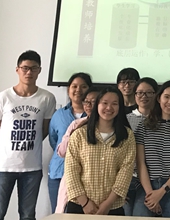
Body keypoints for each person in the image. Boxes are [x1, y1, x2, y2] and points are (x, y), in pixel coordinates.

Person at [0, 50, 56, 220]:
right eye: (25, 68)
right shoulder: (2, 98)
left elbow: (44, 129)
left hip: (32, 168)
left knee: (27, 215)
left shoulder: (47, 98)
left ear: (39, 70)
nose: (29, 72)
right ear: (17, 69)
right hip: (4, 167)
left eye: (33, 68)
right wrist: (7, 148)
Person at [65, 87, 136, 215]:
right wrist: (85, 203)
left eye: (114, 104)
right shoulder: (79, 134)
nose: (109, 108)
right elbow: (71, 171)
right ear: (97, 105)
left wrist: (108, 204)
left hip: (112, 207)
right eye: (105, 103)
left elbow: (126, 172)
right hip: (79, 205)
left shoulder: (127, 136)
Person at [134, 81, 170, 217]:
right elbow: (140, 163)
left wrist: (162, 191)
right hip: (147, 185)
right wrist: (150, 194)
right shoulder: (143, 126)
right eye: (166, 97)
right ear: (159, 98)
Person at [47, 72, 92, 211]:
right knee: (58, 213)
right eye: (74, 86)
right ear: (68, 90)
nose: (78, 90)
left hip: (83, 176)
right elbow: (54, 141)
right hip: (58, 172)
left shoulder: (95, 117)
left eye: (83, 86)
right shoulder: (58, 114)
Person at [54, 87, 100, 213]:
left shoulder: (108, 128)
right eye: (86, 101)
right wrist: (73, 135)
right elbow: (61, 152)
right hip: (74, 185)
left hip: (98, 186)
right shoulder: (76, 124)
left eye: (94, 102)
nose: (89, 105)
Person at [125, 77, 158, 215]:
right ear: (135, 95)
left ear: (156, 95)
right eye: (139, 93)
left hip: (151, 180)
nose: (144, 96)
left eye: (148, 92)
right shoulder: (125, 119)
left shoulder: (161, 121)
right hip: (127, 178)